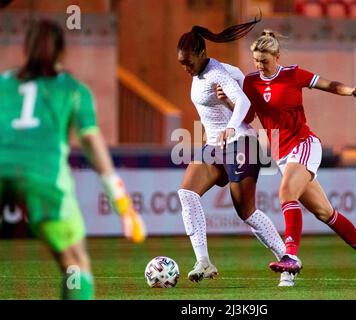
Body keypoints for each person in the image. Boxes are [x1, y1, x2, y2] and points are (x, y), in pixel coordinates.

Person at [217, 30, 356, 287]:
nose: (259, 65)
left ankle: (291, 257)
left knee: (286, 193)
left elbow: (328, 84)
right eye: (256, 60)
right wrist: (228, 102)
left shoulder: (292, 74)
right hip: (282, 155)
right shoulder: (250, 82)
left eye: (264, 60)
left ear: (277, 56)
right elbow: (249, 118)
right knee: (325, 212)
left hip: (304, 144)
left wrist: (351, 91)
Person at [0, 19, 146, 299]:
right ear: (61, 52)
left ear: (26, 48)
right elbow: (91, 141)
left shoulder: (3, 84)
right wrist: (121, 203)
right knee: (75, 264)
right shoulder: (73, 90)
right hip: (43, 176)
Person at [176, 19, 297, 286]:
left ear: (201, 53)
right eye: (181, 63)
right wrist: (212, 132)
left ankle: (287, 260)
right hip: (214, 146)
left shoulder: (217, 73)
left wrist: (230, 128)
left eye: (188, 62)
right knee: (186, 193)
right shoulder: (202, 74)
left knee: (246, 212)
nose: (186, 68)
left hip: (240, 143)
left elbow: (242, 102)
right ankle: (203, 262)